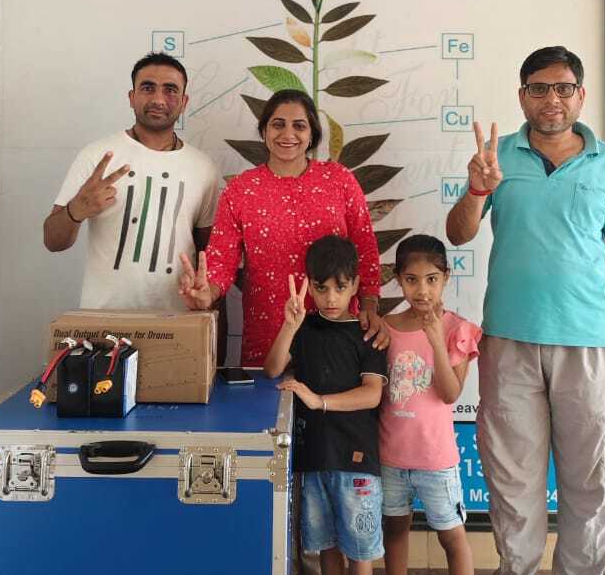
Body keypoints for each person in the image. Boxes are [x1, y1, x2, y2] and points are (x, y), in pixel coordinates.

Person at [446, 45, 605, 575]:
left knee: (591, 483)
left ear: (580, 96)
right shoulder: (498, 157)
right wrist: (477, 189)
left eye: (564, 88)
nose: (552, 99)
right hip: (509, 340)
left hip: (590, 343)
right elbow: (458, 233)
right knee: (513, 481)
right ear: (522, 96)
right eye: (539, 88)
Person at [178, 88, 387, 359]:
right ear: (264, 131)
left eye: (299, 126)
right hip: (268, 339)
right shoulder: (241, 190)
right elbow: (221, 263)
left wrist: (370, 305)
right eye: (278, 124)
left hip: (337, 336)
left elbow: (365, 248)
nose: (288, 134)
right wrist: (207, 294)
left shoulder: (339, 180)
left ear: (312, 135)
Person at [263, 236, 387, 575]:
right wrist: (289, 326)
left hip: (356, 460)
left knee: (360, 552)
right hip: (313, 457)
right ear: (308, 285)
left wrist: (318, 401)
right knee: (327, 547)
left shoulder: (369, 333)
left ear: (355, 285)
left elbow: (372, 393)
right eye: (321, 287)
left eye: (340, 286)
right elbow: (273, 369)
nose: (331, 297)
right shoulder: (306, 328)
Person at [375, 235, 481, 575]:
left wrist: (436, 339)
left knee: (452, 538)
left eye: (432, 279)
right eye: (412, 279)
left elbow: (450, 393)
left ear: (446, 278)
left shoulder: (457, 328)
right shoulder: (385, 327)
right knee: (394, 530)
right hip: (390, 454)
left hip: (436, 460)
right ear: (398, 280)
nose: (422, 290)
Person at [43, 54, 219, 312]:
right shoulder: (97, 156)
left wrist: (213, 320)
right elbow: (52, 241)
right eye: (148, 88)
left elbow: (210, 256)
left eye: (170, 90)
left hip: (178, 319)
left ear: (184, 102)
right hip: (105, 318)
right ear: (131, 97)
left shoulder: (203, 168)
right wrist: (75, 211)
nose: (158, 99)